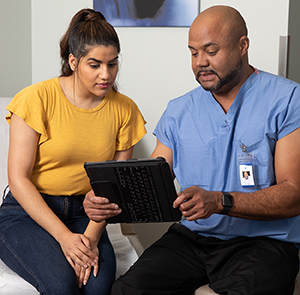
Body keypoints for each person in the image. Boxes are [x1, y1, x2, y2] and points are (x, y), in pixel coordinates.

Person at [83, 5, 300, 295]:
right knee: (127, 290)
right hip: (193, 239)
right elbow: (149, 183)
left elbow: (293, 194)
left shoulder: (286, 99)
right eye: (194, 52)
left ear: (243, 45)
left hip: (265, 242)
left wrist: (220, 201)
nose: (201, 63)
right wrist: (105, 200)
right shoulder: (180, 110)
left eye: (211, 51)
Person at [0, 8, 146, 295]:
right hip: (28, 213)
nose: (106, 74)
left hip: (87, 213)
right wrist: (65, 238)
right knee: (62, 285)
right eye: (95, 65)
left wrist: (89, 238)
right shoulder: (36, 99)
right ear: (73, 61)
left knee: (97, 287)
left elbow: (113, 187)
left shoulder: (125, 109)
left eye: (112, 64)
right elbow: (18, 179)